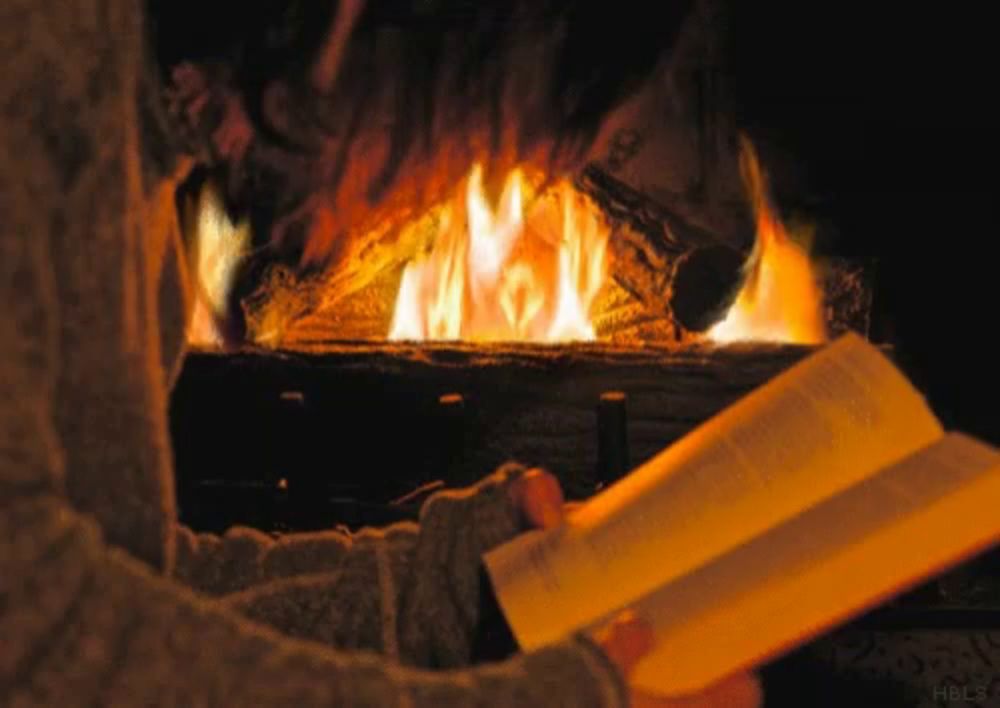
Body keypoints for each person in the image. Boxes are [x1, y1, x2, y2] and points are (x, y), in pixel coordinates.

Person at [0, 1, 760, 705]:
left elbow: (136, 591)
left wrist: (460, 586)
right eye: (462, 132)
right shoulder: (33, 65)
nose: (423, 194)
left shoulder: (131, 125)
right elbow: (33, 630)